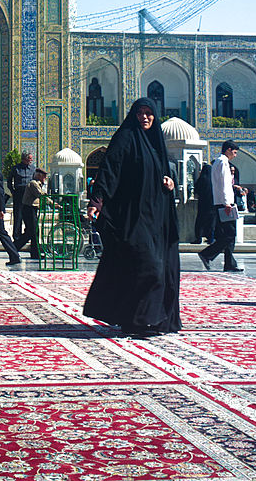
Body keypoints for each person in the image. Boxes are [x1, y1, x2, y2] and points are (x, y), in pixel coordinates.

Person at [83, 97, 181, 336]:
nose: (145, 117)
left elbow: (162, 174)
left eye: (149, 113)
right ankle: (137, 319)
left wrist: (170, 183)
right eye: (140, 113)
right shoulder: (126, 138)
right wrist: (97, 201)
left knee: (161, 266)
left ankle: (152, 319)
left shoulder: (155, 143)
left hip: (156, 217)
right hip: (133, 216)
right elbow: (110, 169)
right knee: (147, 265)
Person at [198, 140, 243, 272]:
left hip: (220, 203)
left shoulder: (217, 161)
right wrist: (227, 203)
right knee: (229, 235)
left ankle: (229, 263)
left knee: (228, 234)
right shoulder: (223, 162)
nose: (235, 155)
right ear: (228, 150)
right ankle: (207, 254)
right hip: (225, 204)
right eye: (234, 152)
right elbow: (223, 184)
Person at [15, 168, 51, 259]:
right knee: (33, 231)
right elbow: (41, 195)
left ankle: (18, 249)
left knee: (32, 232)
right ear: (39, 175)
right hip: (28, 209)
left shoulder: (38, 184)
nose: (45, 178)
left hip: (32, 209)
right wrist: (52, 203)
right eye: (44, 176)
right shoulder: (33, 184)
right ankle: (15, 247)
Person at [8, 150, 35, 247]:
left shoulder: (33, 169)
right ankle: (17, 237)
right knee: (18, 215)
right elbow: (9, 180)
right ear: (24, 159)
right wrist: (13, 191)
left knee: (29, 216)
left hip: (29, 195)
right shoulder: (16, 168)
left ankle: (27, 235)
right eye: (29, 159)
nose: (31, 160)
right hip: (19, 194)